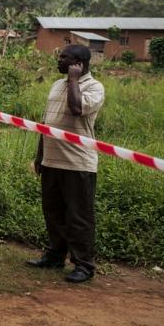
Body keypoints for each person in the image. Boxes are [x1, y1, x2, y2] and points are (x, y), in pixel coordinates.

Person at [27, 44, 105, 283]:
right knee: (53, 213)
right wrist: (40, 156)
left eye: (64, 57)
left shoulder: (94, 87)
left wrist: (73, 80)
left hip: (77, 163)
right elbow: (45, 123)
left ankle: (84, 265)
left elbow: (76, 108)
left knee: (78, 216)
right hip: (52, 161)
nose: (58, 60)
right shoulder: (56, 85)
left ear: (78, 63)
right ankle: (55, 255)